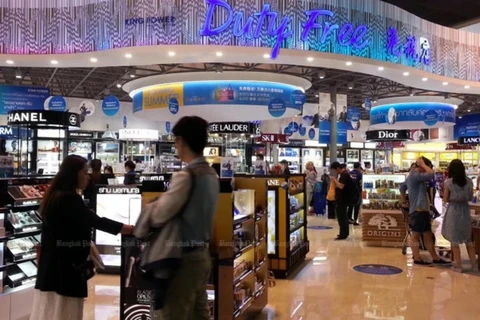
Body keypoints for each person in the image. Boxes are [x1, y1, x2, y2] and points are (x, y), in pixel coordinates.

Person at [134, 116, 219, 320]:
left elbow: (161, 214)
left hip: (181, 259)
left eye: (176, 141)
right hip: (202, 256)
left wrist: (151, 205)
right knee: (199, 314)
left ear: (181, 141)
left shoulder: (186, 176)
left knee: (172, 314)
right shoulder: (211, 175)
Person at [30, 155, 134, 320]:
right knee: (65, 312)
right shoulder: (69, 199)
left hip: (53, 268)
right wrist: (129, 229)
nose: (88, 177)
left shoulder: (55, 196)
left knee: (50, 311)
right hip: (66, 271)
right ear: (74, 174)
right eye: (85, 173)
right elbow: (95, 221)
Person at [401, 157, 450, 266]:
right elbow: (431, 174)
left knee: (427, 234)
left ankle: (435, 257)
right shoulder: (415, 175)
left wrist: (404, 201)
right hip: (419, 209)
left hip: (421, 208)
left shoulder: (412, 176)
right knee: (415, 234)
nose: (427, 169)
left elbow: (402, 187)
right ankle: (417, 258)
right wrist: (423, 164)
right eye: (426, 167)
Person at [442, 159, 477, 272]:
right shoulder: (469, 182)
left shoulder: (448, 183)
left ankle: (459, 266)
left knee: (454, 240)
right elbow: (471, 197)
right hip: (465, 211)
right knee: (468, 239)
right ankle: (474, 266)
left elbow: (445, 199)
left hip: (453, 211)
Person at [330, 162, 358, 240]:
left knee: (342, 217)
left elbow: (341, 186)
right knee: (342, 216)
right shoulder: (344, 174)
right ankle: (343, 233)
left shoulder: (345, 175)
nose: (335, 172)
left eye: (335, 170)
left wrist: (334, 180)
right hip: (342, 198)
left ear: (338, 168)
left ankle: (343, 234)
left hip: (343, 199)